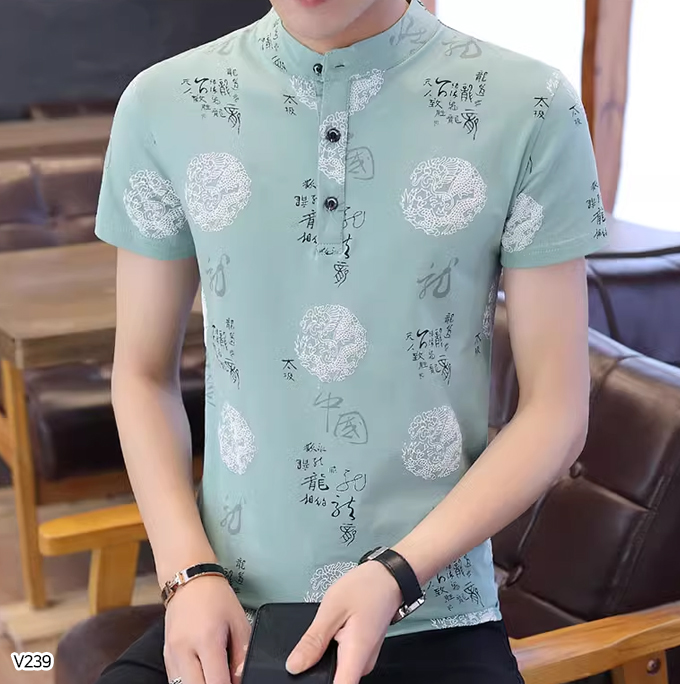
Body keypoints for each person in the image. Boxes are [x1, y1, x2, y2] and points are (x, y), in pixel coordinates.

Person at [93, 0, 608, 682]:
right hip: (225, 607)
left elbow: (556, 409)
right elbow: (141, 374)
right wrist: (187, 574)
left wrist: (398, 571)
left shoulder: (531, 107)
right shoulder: (163, 104)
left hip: (431, 607)